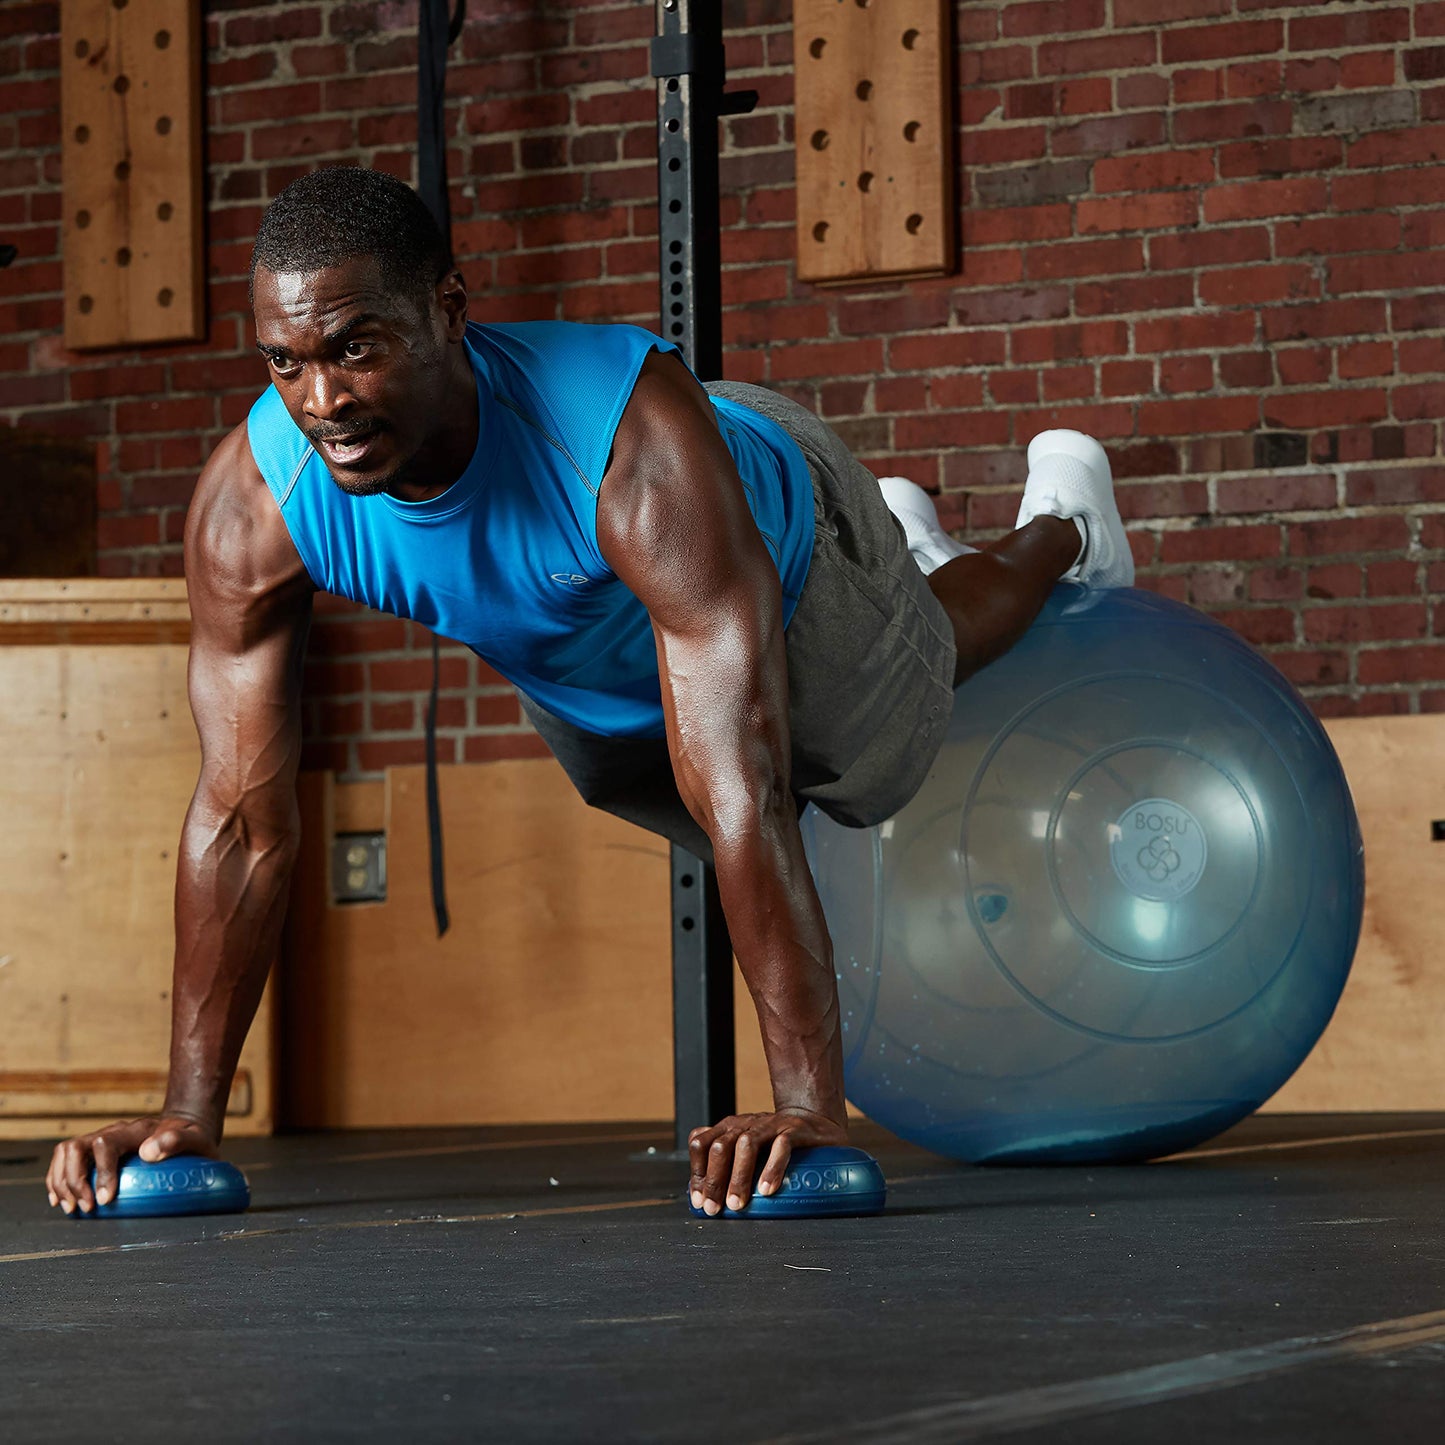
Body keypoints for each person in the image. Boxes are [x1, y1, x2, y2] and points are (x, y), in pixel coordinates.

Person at [45, 168, 1132, 1218]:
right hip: (594, 656)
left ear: (449, 310)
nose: (321, 400)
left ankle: (1060, 527)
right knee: (687, 781)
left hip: (766, 534)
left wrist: (809, 1110)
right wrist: (182, 1117)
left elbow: (745, 785)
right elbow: (240, 817)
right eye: (285, 362)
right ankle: (920, 551)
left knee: (876, 742)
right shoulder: (257, 498)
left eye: (355, 349)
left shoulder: (618, 447)